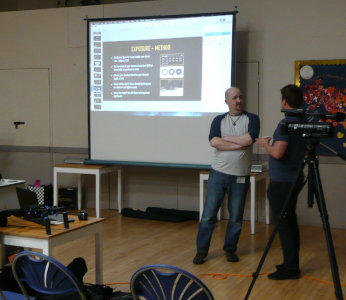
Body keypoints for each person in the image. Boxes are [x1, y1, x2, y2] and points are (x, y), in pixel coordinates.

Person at [193, 87, 260, 265]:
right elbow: (213, 141)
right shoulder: (219, 120)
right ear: (227, 102)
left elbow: (250, 139)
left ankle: (230, 248)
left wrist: (227, 139)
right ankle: (201, 251)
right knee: (208, 215)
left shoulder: (252, 118)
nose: (239, 100)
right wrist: (238, 142)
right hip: (218, 173)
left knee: (236, 216)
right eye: (234, 98)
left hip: (240, 175)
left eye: (240, 96)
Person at [256, 84, 306, 280]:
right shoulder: (302, 120)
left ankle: (291, 268)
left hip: (282, 182)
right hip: (294, 178)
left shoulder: (286, 123)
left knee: (283, 223)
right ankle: (291, 263)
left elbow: (278, 152)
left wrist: (264, 144)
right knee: (290, 221)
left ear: (284, 101)